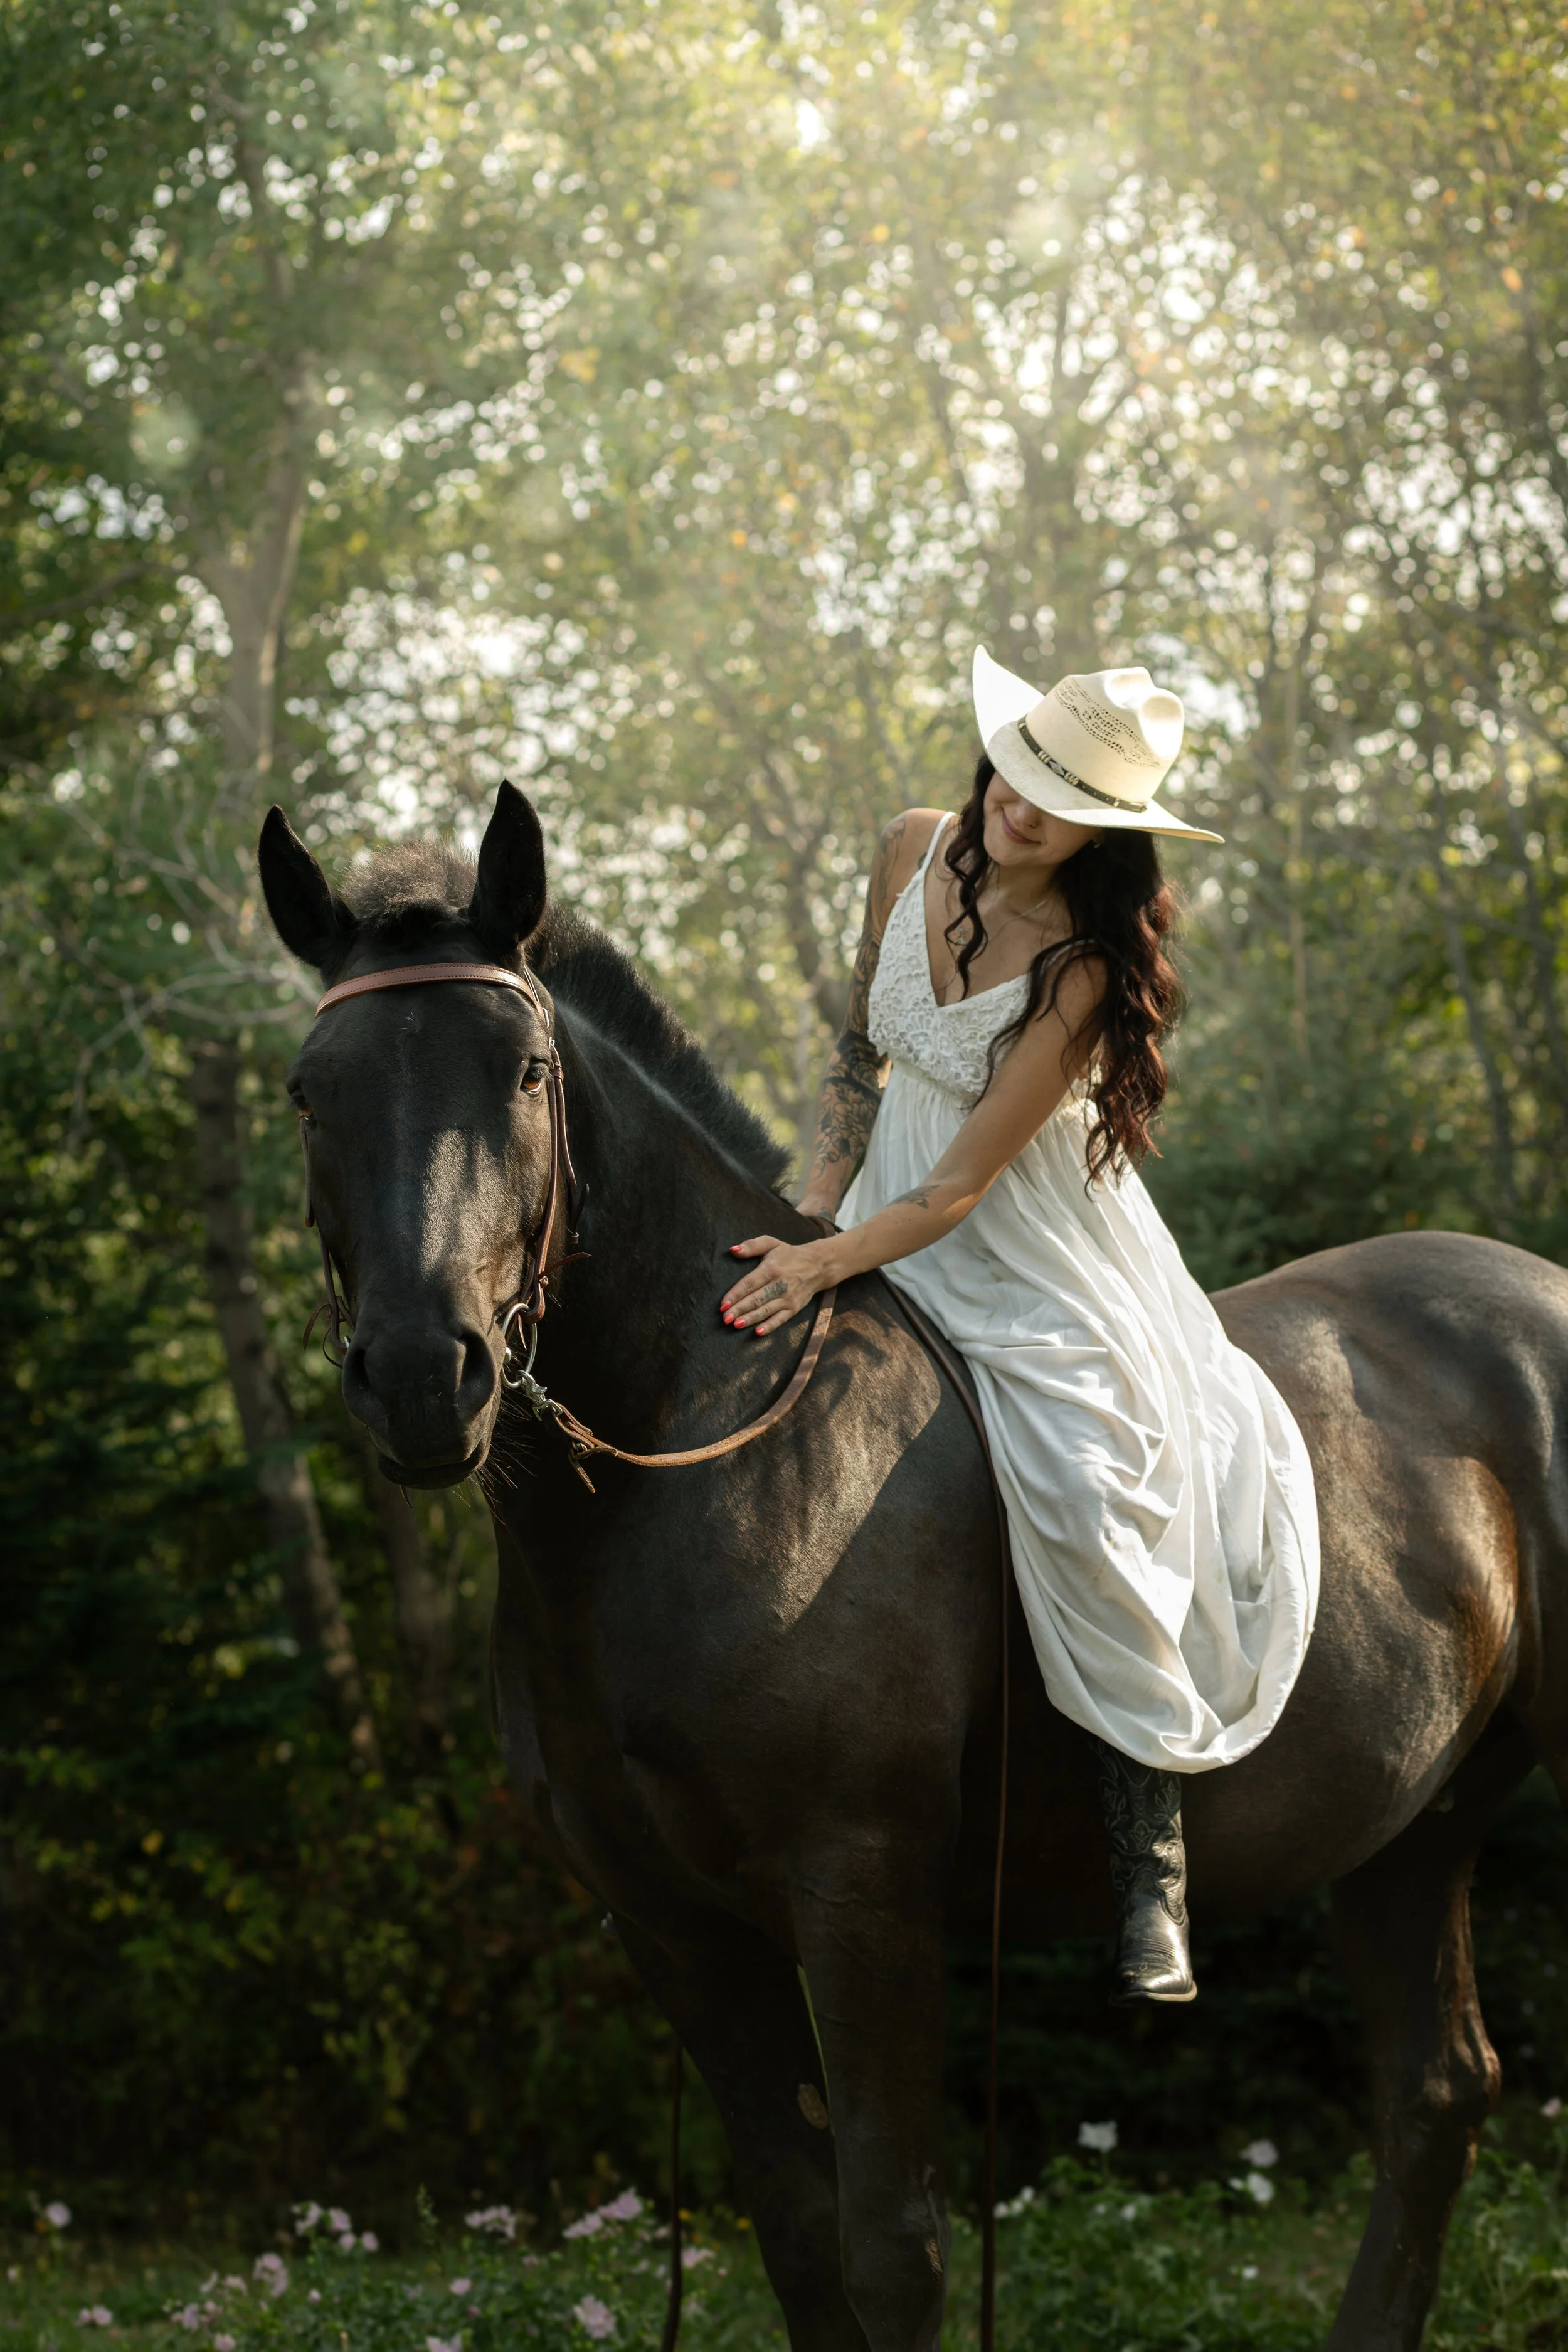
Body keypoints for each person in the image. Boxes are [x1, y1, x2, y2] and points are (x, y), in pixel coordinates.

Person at [719, 649, 1320, 2005]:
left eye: (1063, 798)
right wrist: (809, 1212)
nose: (1020, 806)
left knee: (1084, 1471)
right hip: (870, 1204)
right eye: (1020, 767)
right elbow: (853, 1063)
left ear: (1105, 830)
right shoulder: (909, 851)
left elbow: (956, 1185)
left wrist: (831, 1264)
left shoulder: (1080, 973)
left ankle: (1145, 1846)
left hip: (1023, 1249)